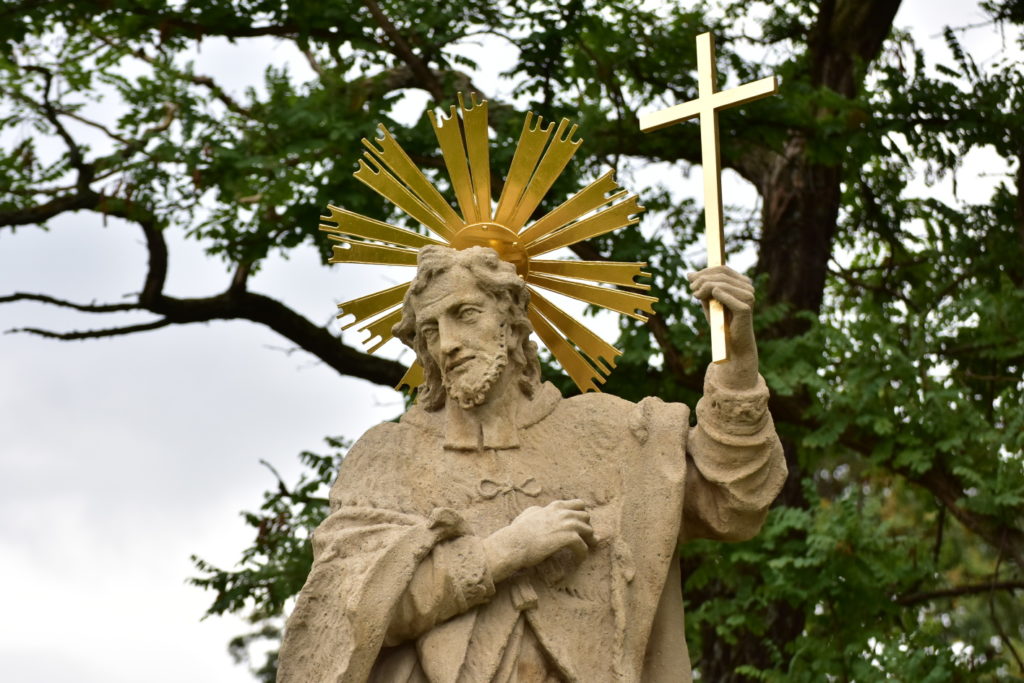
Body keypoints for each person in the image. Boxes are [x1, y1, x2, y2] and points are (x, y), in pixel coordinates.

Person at [277, 245, 786, 683]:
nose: (447, 343)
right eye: (430, 330)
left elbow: (731, 501)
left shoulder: (612, 434)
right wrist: (505, 550)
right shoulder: (388, 459)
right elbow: (350, 614)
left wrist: (737, 361)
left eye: (465, 314)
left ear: (510, 320)